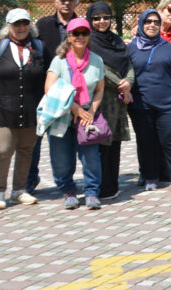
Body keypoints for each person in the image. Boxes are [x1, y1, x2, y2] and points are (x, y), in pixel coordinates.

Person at [0, 8, 46, 211]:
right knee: (3, 151)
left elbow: (51, 72)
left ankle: (19, 190)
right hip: (4, 109)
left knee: (26, 150)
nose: (21, 28)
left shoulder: (39, 47)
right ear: (8, 26)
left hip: (31, 108)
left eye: (24, 23)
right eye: (16, 24)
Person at [127, 9, 171, 192]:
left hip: (169, 103)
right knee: (146, 141)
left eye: (156, 22)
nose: (152, 25)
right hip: (141, 105)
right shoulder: (131, 48)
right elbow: (126, 74)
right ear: (141, 24)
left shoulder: (167, 47)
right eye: (148, 21)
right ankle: (150, 176)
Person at [45, 18, 105, 210]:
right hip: (62, 115)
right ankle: (68, 191)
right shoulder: (60, 61)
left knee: (91, 157)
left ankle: (91, 192)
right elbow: (49, 88)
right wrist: (75, 109)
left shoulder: (96, 60)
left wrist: (90, 111)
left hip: (87, 115)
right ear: (68, 37)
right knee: (61, 158)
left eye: (84, 33)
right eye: (75, 33)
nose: (80, 37)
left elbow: (99, 90)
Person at [29, 0, 79, 194]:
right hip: (45, 90)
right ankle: (29, 181)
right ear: (55, 1)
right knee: (34, 140)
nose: (66, 2)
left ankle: (65, 181)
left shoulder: (81, 25)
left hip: (73, 92)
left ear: (77, 2)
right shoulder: (43, 25)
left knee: (63, 141)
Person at [85, 2, 135, 200]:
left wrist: (129, 82)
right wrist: (121, 85)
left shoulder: (116, 41)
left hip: (117, 102)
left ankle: (112, 185)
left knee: (114, 143)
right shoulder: (88, 41)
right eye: (96, 18)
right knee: (100, 143)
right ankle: (99, 187)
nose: (102, 21)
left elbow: (128, 63)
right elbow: (99, 69)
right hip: (100, 100)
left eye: (106, 17)